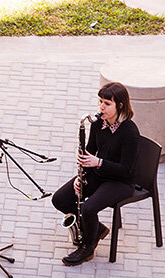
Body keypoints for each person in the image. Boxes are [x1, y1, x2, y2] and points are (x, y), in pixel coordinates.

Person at [52, 82, 140, 266]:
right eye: (100, 101)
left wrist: (99, 162)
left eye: (107, 103)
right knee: (60, 199)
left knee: (89, 208)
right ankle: (96, 229)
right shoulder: (99, 123)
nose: (101, 107)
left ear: (120, 106)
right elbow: (90, 152)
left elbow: (127, 170)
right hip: (100, 173)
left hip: (121, 182)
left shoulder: (129, 131)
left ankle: (88, 247)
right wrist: (80, 176)